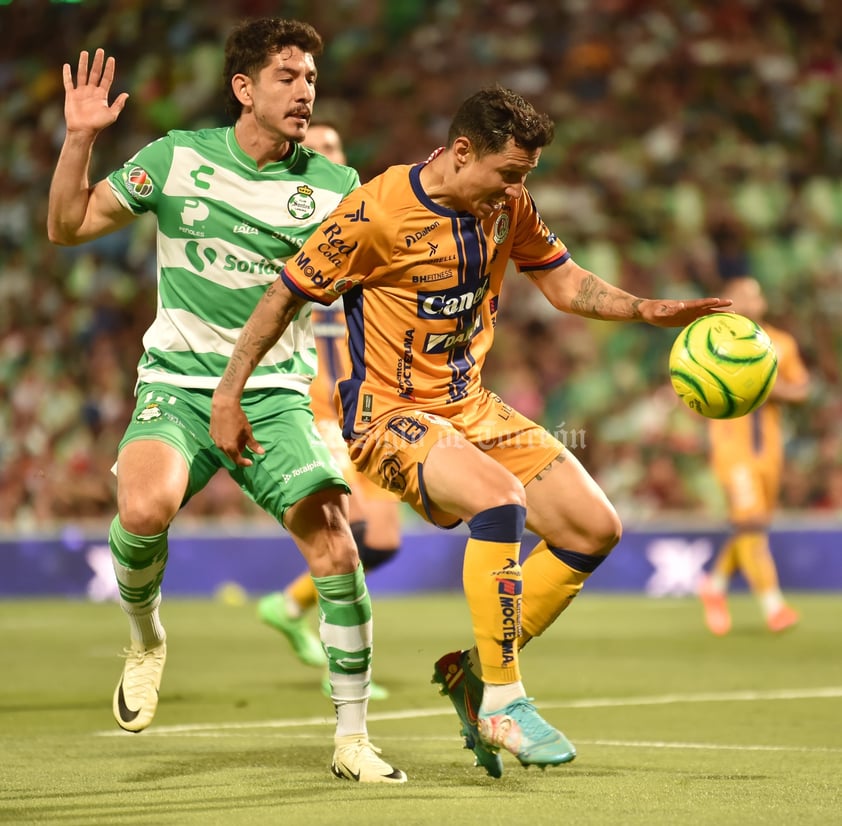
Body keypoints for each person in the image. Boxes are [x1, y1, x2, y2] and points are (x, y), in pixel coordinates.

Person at [209, 85, 731, 778]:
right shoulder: (374, 213)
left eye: (525, 177)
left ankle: (473, 670)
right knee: (500, 499)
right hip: (389, 419)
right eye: (509, 173)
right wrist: (228, 392)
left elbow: (561, 279)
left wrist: (645, 310)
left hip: (473, 408)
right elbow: (284, 294)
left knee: (593, 527)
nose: (516, 190)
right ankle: (503, 702)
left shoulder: (506, 203)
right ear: (460, 152)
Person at [46, 19, 405, 784]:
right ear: (244, 88)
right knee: (144, 511)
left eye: (310, 76)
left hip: (274, 394)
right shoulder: (175, 159)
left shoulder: (337, 189)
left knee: (338, 549)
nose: (305, 90)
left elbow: (377, 290)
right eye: (287, 76)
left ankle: (351, 739)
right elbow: (66, 225)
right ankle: (145, 639)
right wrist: (79, 138)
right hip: (176, 384)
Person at [257, 122, 402, 701]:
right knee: (353, 528)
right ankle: (340, 667)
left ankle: (288, 603)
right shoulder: (281, 230)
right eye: (317, 149)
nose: (330, 157)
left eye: (338, 148)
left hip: (370, 397)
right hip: (316, 397)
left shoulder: (374, 229)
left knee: (384, 540)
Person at [698, 276, 810, 635]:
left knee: (754, 526)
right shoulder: (714, 341)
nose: (748, 302)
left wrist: (767, 387)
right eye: (740, 295)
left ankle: (713, 586)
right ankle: (773, 605)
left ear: (763, 304)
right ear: (727, 301)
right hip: (733, 448)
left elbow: (801, 390)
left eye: (754, 295)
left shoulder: (782, 344)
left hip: (769, 450)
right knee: (750, 524)